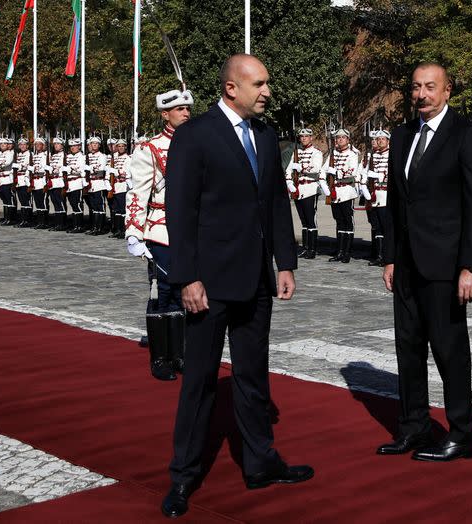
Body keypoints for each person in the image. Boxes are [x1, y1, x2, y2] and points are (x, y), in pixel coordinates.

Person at [162, 54, 312, 518]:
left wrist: (284, 263)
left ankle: (260, 463)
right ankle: (183, 477)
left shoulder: (266, 137)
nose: (267, 91)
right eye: (259, 83)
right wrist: (186, 277)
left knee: (252, 377)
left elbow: (273, 204)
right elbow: (180, 211)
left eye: (268, 82)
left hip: (256, 282)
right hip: (207, 284)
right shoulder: (194, 135)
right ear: (231, 88)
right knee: (200, 383)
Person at [378, 62, 472, 462]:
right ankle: (414, 427)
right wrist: (390, 256)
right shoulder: (402, 135)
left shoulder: (467, 135)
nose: (422, 94)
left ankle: (463, 433)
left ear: (447, 91)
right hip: (407, 263)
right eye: (416, 87)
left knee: (449, 351)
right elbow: (397, 201)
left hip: (446, 265)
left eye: (430, 87)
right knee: (407, 349)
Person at [125, 88, 193, 381]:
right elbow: (137, 192)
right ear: (165, 114)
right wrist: (134, 233)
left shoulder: (197, 144)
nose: (186, 113)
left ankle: (180, 353)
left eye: (188, 109)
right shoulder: (148, 149)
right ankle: (161, 357)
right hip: (161, 230)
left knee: (185, 292)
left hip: (191, 231)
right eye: (179, 109)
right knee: (162, 292)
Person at [285, 127, 324, 259]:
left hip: (310, 189)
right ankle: (305, 248)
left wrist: (301, 167)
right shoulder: (296, 152)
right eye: (301, 137)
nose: (303, 138)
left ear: (311, 138)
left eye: (306, 136)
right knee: (303, 220)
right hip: (298, 189)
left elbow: (316, 168)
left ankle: (312, 249)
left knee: (310, 219)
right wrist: (289, 183)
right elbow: (289, 169)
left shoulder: (316, 153)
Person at [323, 127, 360, 263]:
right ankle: (339, 250)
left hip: (346, 191)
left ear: (348, 140)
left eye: (343, 137)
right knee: (338, 221)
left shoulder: (352, 154)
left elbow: (352, 172)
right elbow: (323, 170)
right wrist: (325, 188)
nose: (340, 139)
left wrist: (337, 172)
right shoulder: (332, 154)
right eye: (338, 138)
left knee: (347, 221)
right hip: (334, 192)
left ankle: (347, 252)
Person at [363, 129, 391, 267]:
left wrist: (380, 177)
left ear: (387, 141)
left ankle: (388, 256)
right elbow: (365, 173)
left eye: (382, 139)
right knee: (377, 227)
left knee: (386, 227)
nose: (379, 141)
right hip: (374, 196)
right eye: (378, 139)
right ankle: (379, 256)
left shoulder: (391, 155)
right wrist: (364, 188)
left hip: (385, 195)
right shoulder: (373, 156)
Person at [64, 138, 88, 233]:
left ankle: (79, 226)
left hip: (77, 182)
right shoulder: (68, 156)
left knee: (77, 204)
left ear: (79, 146)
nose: (73, 148)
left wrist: (70, 169)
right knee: (72, 204)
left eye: (75, 146)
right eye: (71, 146)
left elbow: (81, 169)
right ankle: (75, 225)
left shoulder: (82, 157)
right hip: (68, 183)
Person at [47, 137, 68, 231]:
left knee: (60, 202)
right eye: (55, 144)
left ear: (62, 145)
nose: (56, 145)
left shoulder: (64, 155)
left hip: (59, 181)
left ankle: (62, 223)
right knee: (55, 203)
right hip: (53, 182)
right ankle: (57, 223)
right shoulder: (53, 156)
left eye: (58, 144)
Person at [30, 137, 51, 229]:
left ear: (44, 145)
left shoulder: (47, 155)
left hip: (42, 180)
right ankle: (39, 222)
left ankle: (44, 222)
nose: (37, 146)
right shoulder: (34, 156)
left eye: (39, 144)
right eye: (36, 144)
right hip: (35, 181)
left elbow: (47, 168)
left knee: (43, 202)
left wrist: (38, 169)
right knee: (37, 202)